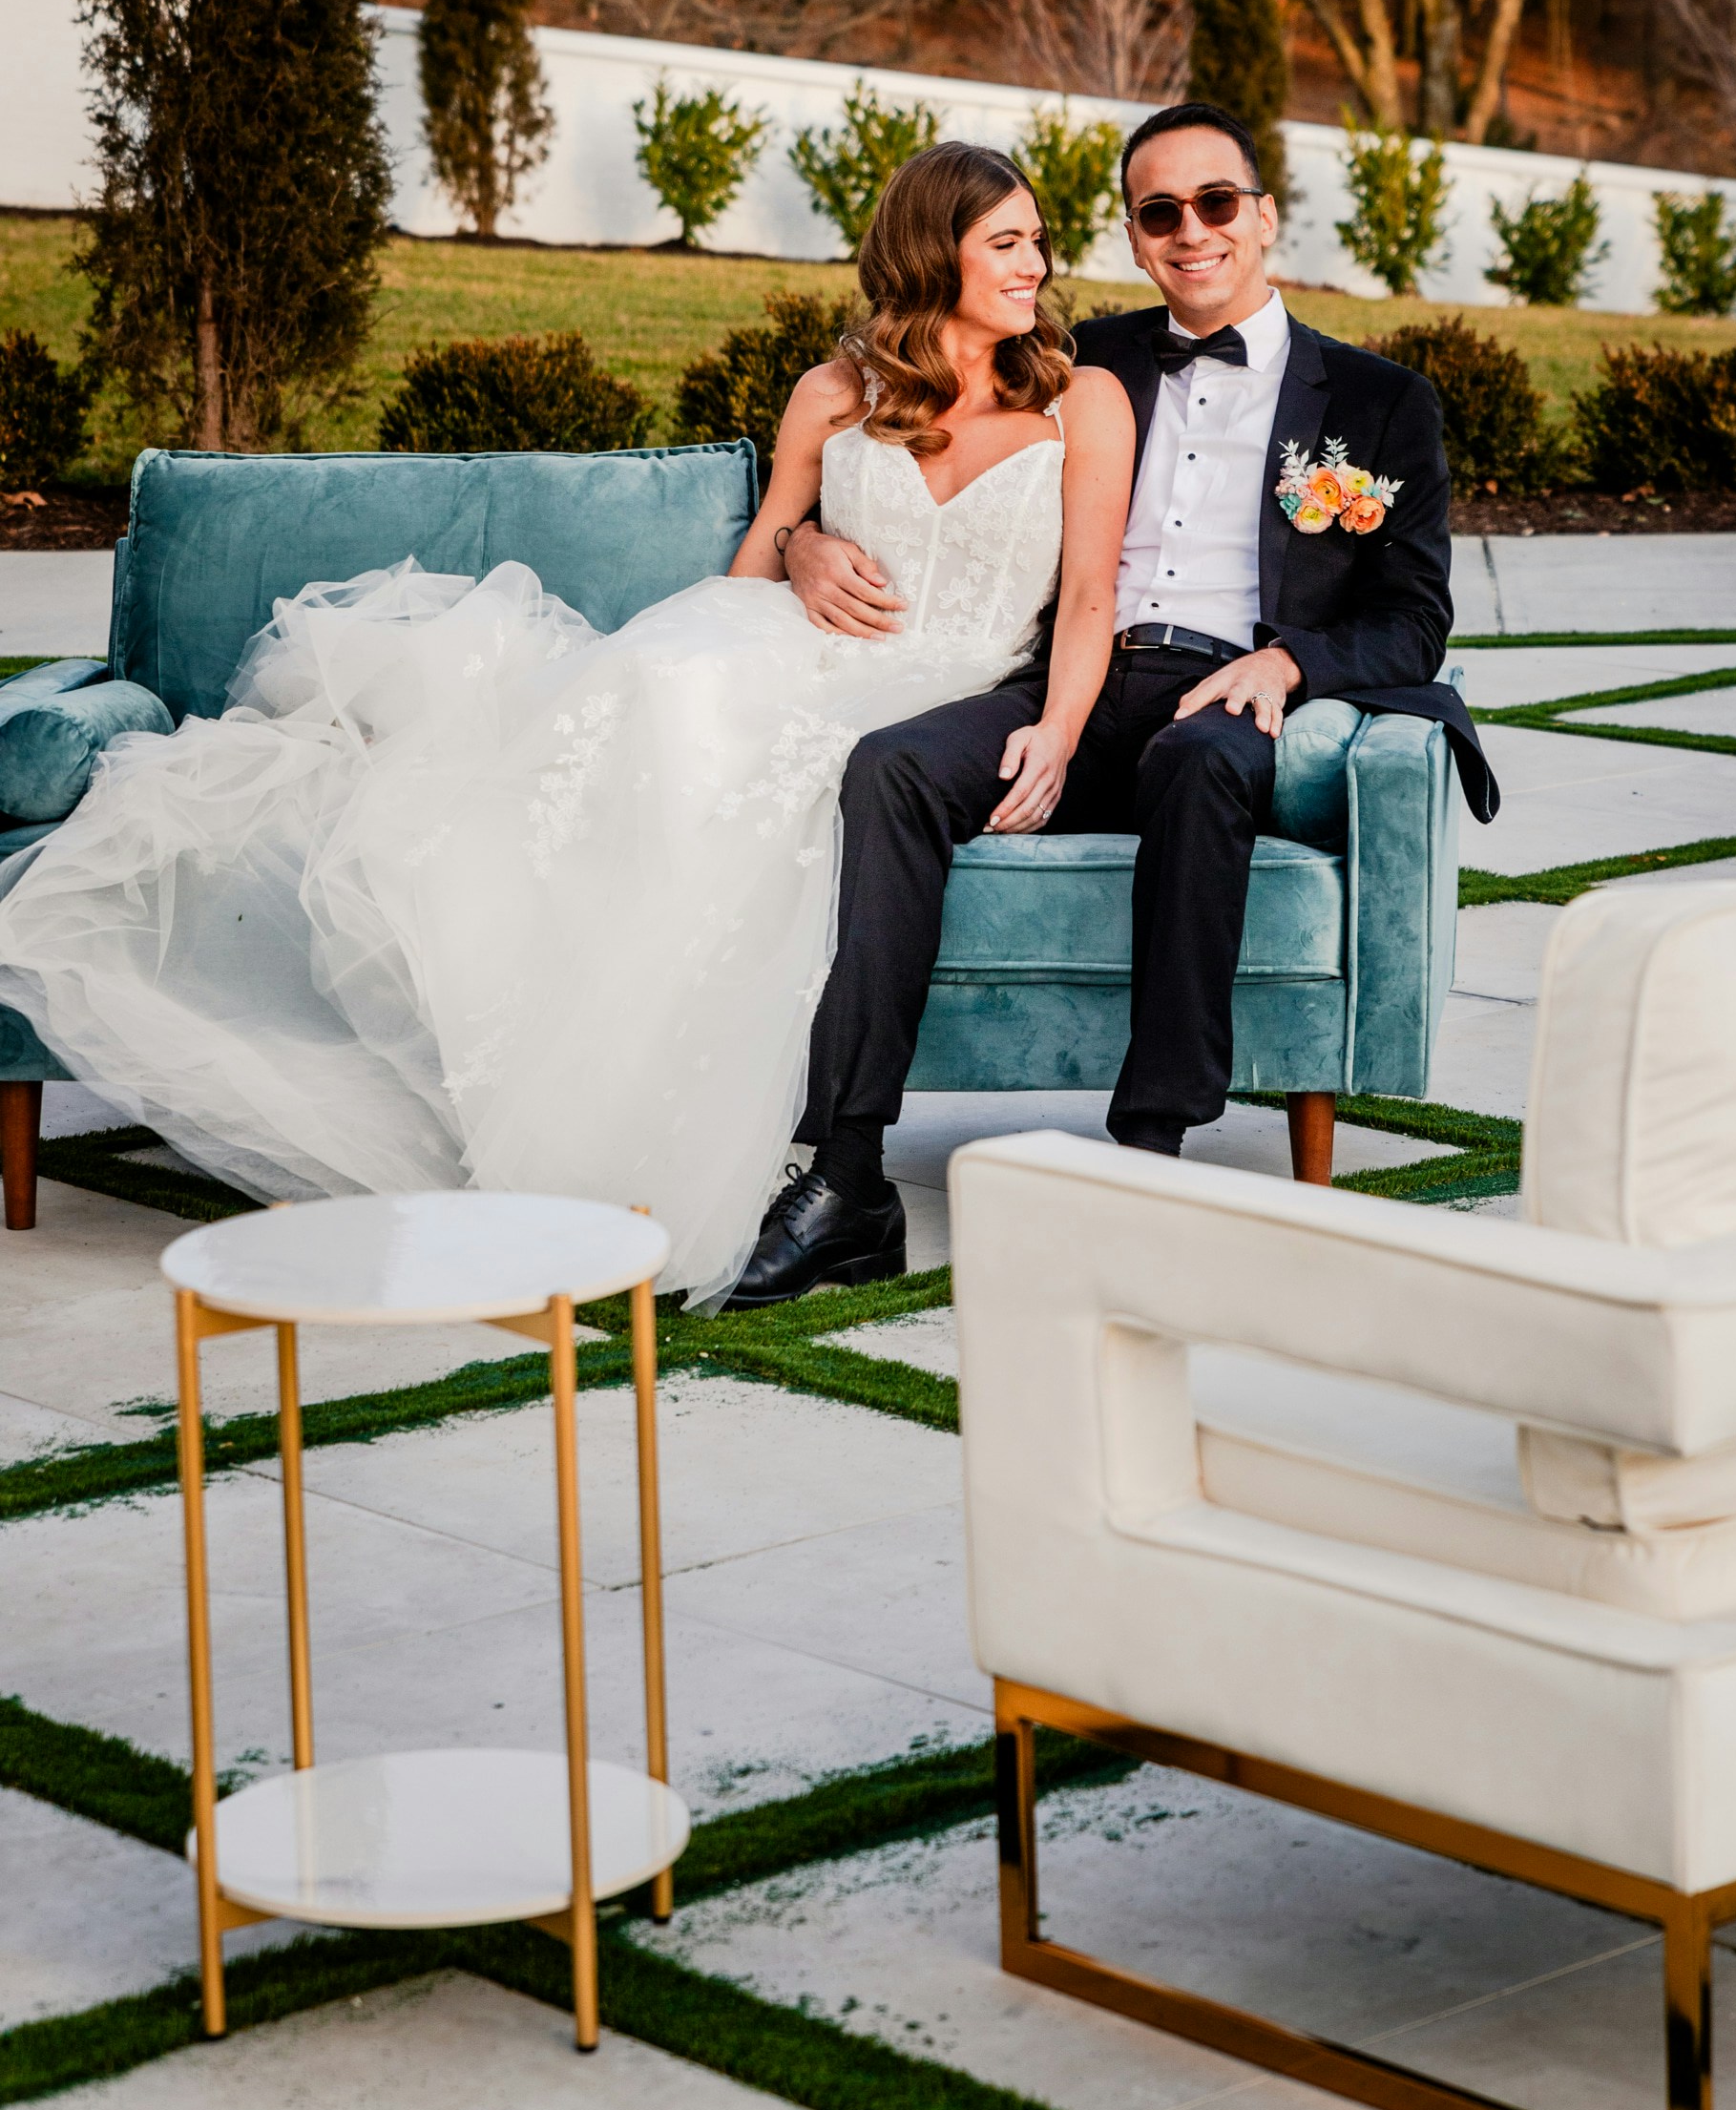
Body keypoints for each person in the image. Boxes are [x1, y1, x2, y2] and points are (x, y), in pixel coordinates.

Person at [0, 145, 1133, 1310]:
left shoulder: (1075, 400)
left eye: (1038, 241)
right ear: (926, 247)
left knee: (770, 770)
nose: (1035, 264)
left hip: (942, 685)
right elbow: (755, 561)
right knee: (662, 698)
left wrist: (1054, 730)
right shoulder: (834, 395)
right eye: (1007, 240)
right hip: (797, 650)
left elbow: (1090, 595)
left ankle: (800, 1172)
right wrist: (791, 556)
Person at [738, 97, 1497, 1306]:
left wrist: (1287, 664)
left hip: (1229, 688)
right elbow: (907, 422)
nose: (1189, 231)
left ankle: (1149, 1152)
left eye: (1214, 203)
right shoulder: (1077, 358)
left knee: (1199, 767)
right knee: (888, 765)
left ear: (1262, 217)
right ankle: (844, 1174)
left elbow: (1413, 617)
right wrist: (797, 545)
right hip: (1067, 680)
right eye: (1159, 212)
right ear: (1137, 239)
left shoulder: (1377, 403)